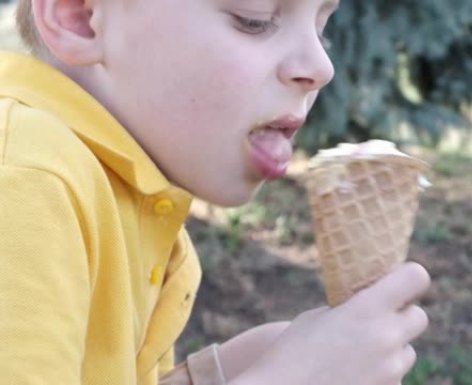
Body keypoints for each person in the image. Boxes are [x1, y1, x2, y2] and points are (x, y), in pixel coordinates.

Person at [0, 0, 431, 383]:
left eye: (321, 29)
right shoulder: (26, 178)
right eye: (255, 20)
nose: (321, 67)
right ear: (82, 19)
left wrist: (222, 372)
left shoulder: (137, 195)